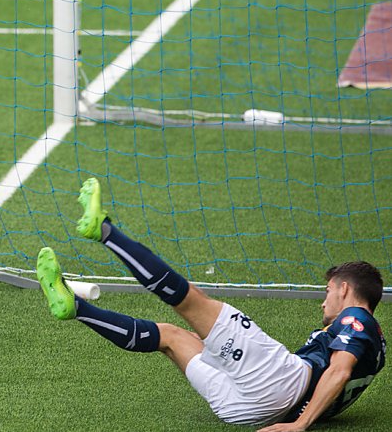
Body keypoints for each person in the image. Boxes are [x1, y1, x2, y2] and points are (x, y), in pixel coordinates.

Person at [37, 178, 385, 430]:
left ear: (343, 288)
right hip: (245, 411)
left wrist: (301, 425)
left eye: (327, 291)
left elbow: (339, 370)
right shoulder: (374, 345)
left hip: (281, 383)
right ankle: (76, 308)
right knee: (170, 336)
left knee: (192, 300)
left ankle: (104, 230)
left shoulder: (357, 318)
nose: (323, 301)